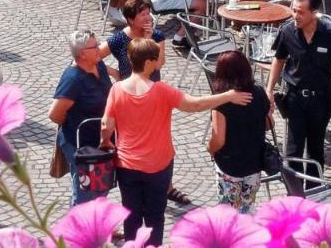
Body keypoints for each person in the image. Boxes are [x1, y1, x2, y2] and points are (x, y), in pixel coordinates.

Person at [101, 38, 253, 245]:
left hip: (127, 166)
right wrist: (227, 96)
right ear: (147, 63)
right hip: (158, 166)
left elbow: (106, 126)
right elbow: (195, 105)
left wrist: (105, 142)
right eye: (157, 59)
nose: (160, 62)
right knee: (155, 216)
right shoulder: (161, 90)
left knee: (131, 213)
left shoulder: (117, 89)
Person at [265, 0, 331, 194]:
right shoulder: (287, 31)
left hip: (321, 99)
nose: (295, 16)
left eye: (300, 12)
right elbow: (279, 59)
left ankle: (315, 193)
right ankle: (295, 196)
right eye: (293, 10)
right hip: (295, 97)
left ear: (314, 13)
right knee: (293, 148)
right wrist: (269, 89)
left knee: (316, 148)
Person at [50, 28, 114, 206]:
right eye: (95, 46)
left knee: (102, 185)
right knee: (85, 192)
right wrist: (73, 123)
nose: (99, 48)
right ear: (82, 54)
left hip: (102, 140)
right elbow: (55, 114)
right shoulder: (73, 79)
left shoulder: (98, 65)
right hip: (81, 145)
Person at [208, 50, 271, 213]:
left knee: (229, 213)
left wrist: (210, 149)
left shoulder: (221, 101)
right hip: (254, 163)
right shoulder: (259, 92)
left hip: (230, 164)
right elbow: (269, 125)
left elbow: (218, 140)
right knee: (247, 207)